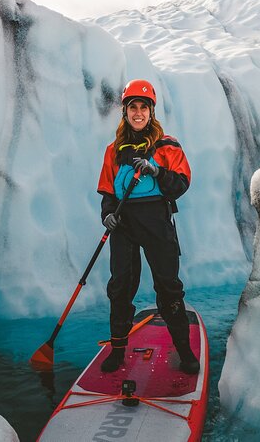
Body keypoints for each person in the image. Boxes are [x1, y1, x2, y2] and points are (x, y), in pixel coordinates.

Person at [96, 79, 199, 375]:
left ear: (151, 112)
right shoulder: (113, 150)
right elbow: (108, 192)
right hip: (124, 225)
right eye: (133, 107)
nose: (138, 113)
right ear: (125, 112)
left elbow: (181, 184)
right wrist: (107, 216)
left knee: (168, 288)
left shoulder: (167, 146)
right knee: (120, 288)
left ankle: (184, 351)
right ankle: (117, 351)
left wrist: (158, 171)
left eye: (143, 107)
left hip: (157, 224)